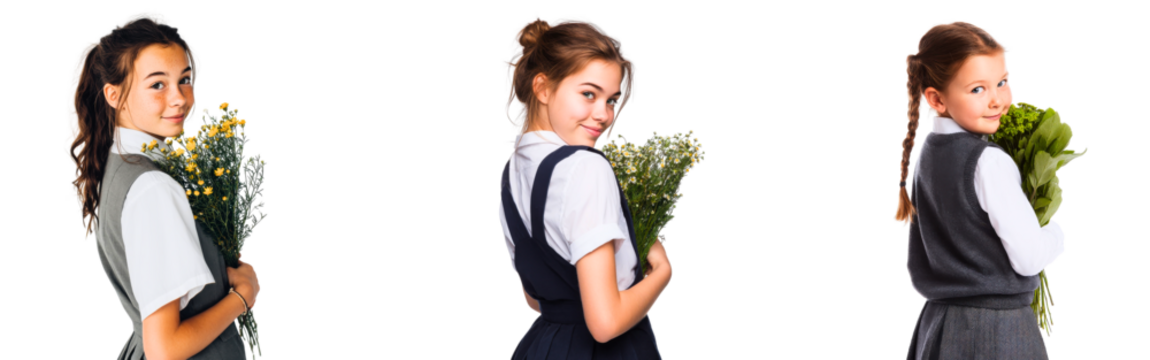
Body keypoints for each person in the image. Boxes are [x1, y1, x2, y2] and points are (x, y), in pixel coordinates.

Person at [68, 15, 262, 360]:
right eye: (158, 84)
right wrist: (241, 297)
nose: (179, 98)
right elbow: (165, 349)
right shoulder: (153, 187)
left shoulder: (114, 165)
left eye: (185, 80)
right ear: (114, 95)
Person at [496, 16, 669, 359]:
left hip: (542, 346)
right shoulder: (586, 167)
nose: (603, 114)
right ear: (543, 88)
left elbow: (533, 296)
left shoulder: (512, 171)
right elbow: (605, 323)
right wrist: (663, 271)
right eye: (589, 94)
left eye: (610, 100)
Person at [895, 19, 1066, 360]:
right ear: (936, 99)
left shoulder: (928, 152)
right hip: (998, 331)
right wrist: (1054, 233)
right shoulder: (989, 162)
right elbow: (1029, 257)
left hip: (938, 325)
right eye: (977, 89)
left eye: (1002, 82)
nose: (997, 100)